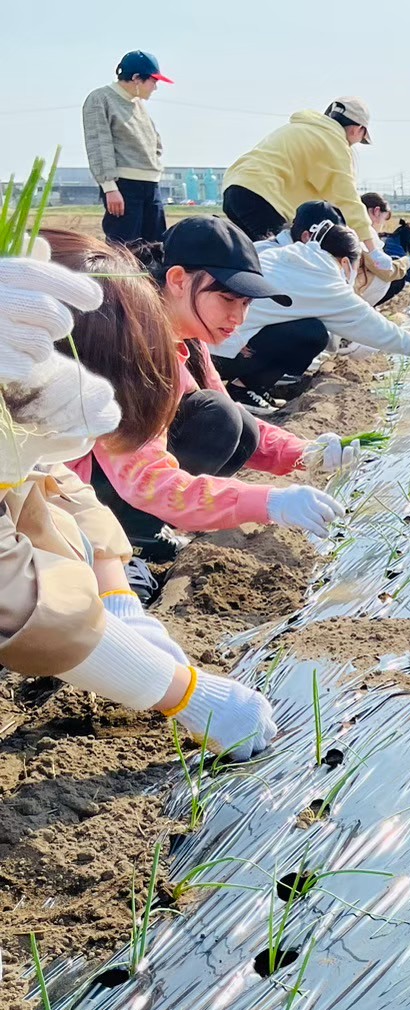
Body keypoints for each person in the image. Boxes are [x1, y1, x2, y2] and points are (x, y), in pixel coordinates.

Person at [0, 242, 277, 761]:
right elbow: (26, 607)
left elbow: (57, 485)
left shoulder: (16, 389)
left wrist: (119, 602)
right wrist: (189, 695)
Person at [53, 219, 350, 560]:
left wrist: (305, 453)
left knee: (238, 426)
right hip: (74, 491)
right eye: (228, 299)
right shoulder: (132, 346)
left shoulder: (189, 340)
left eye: (246, 304)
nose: (238, 317)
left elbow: (231, 417)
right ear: (178, 280)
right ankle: (136, 536)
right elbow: (146, 479)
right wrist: (268, 502)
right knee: (219, 419)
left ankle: (149, 524)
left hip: (125, 473)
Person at [210, 220, 410, 404]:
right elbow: (388, 334)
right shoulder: (326, 282)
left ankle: (244, 384)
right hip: (219, 354)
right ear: (344, 262)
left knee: (302, 324)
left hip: (198, 342)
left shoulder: (290, 254)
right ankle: (244, 390)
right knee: (312, 333)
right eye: (357, 266)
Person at [223, 98, 389, 264]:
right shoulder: (333, 143)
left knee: (252, 259)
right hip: (261, 197)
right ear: (358, 129)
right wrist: (372, 249)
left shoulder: (300, 128)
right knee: (285, 263)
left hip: (234, 188)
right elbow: (346, 199)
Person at [82, 50, 171, 246]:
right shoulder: (100, 98)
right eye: (153, 81)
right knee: (125, 248)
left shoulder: (138, 104)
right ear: (136, 78)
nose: (155, 87)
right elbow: (98, 144)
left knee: (156, 248)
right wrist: (109, 187)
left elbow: (155, 142)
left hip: (151, 185)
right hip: (123, 185)